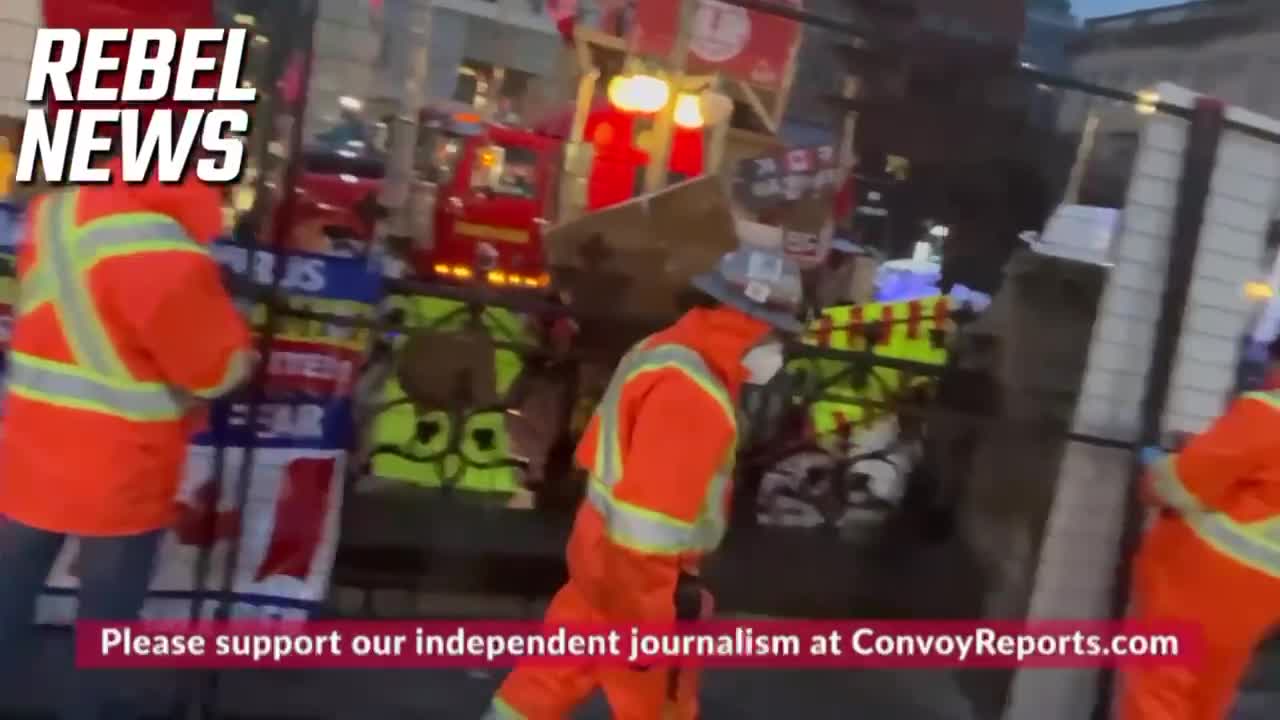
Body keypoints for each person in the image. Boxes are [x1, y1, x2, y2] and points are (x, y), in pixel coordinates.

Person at [482, 249, 805, 720]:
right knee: (658, 708)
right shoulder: (695, 396)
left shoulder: (666, 350)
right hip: (645, 585)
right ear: (752, 324)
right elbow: (650, 526)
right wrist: (652, 621)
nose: (781, 349)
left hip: (598, 557)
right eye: (779, 334)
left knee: (547, 680)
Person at [0, 156, 253, 718]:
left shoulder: (55, 211)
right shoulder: (164, 250)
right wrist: (238, 339)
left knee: (8, 594)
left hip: (30, 447)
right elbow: (215, 370)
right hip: (118, 466)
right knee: (106, 620)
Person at [1120, 334, 1280, 719]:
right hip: (1260, 597)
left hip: (1196, 586)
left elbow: (1177, 486)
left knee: (1159, 695)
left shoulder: (1267, 413)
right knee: (1207, 700)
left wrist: (1159, 468)